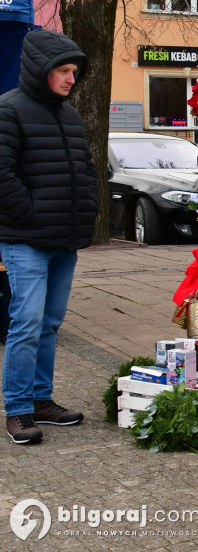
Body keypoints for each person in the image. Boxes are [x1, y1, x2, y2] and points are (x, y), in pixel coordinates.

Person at [0, 30, 99, 445]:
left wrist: (88, 207)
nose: (70, 79)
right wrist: (33, 214)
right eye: (63, 70)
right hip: (25, 241)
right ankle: (18, 409)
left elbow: (85, 168)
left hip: (63, 240)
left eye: (74, 71)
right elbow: (2, 176)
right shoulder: (9, 110)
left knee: (50, 323)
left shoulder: (70, 115)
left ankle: (41, 400)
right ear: (42, 70)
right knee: (26, 322)